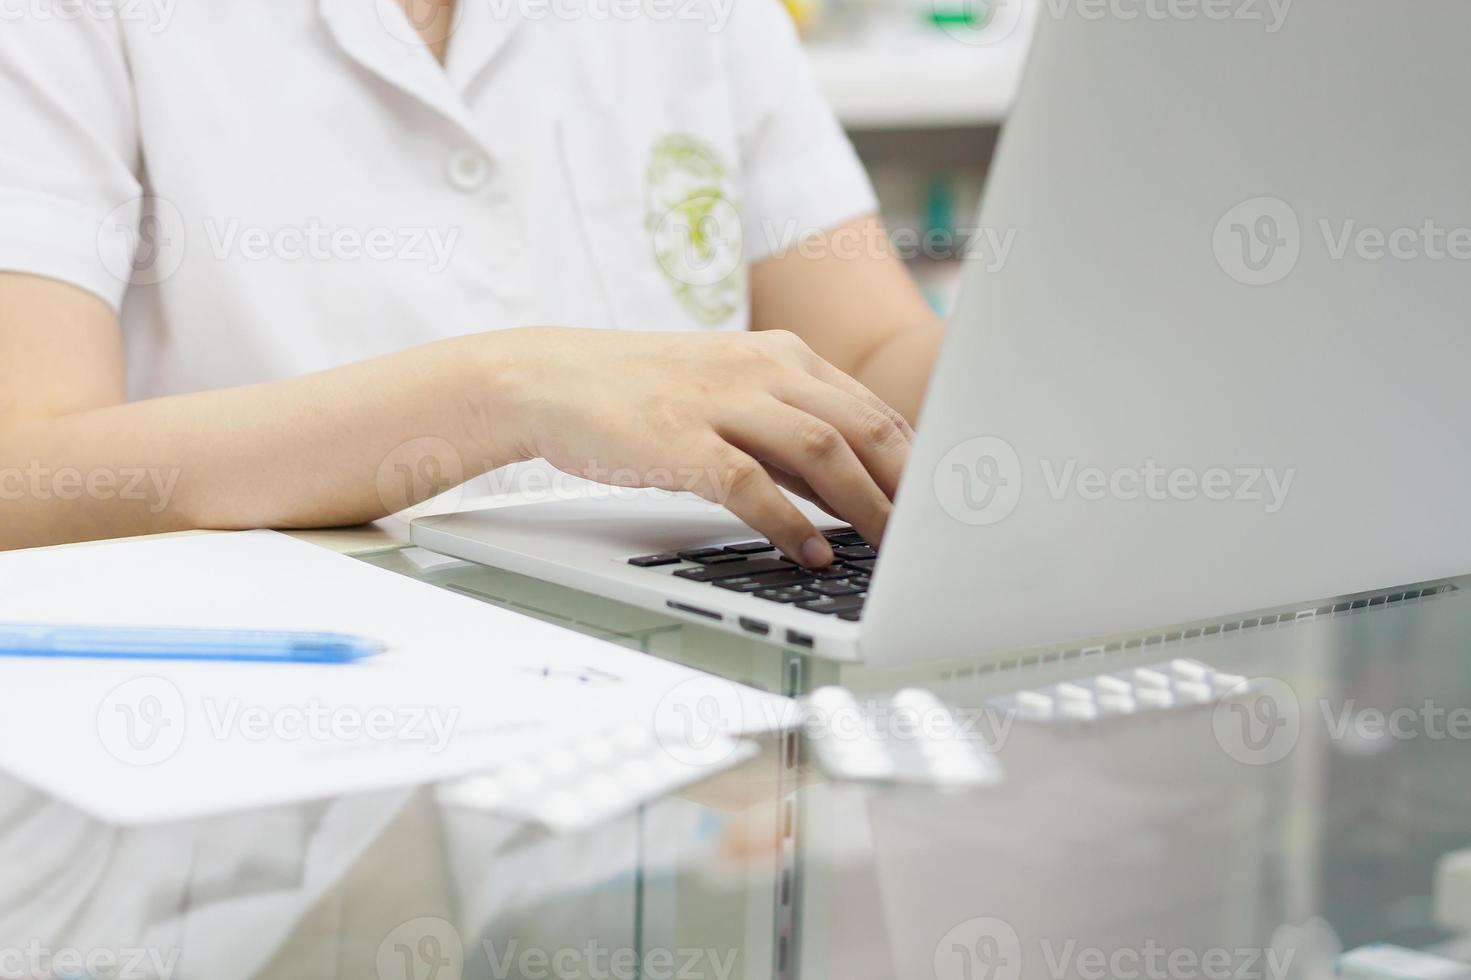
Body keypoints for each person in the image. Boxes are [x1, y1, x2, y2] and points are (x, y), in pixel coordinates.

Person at [0, 0, 945, 566]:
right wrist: (506, 393)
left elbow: (864, 354)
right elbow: (25, 471)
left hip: (686, 684)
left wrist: (1056, 353)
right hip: (292, 723)